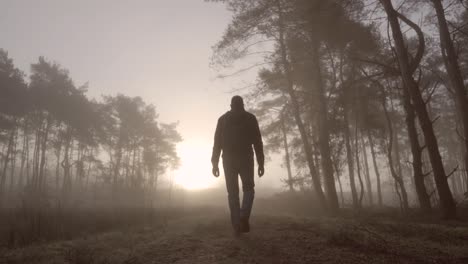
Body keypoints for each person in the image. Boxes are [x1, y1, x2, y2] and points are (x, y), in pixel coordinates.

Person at [211, 95, 265, 236]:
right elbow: (258, 142)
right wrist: (261, 163)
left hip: (228, 159)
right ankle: (243, 216)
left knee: (232, 193)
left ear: (230, 105)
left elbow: (217, 143)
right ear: (242, 104)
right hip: (246, 158)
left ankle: (236, 225)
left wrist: (214, 163)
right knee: (249, 189)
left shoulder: (222, 120)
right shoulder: (250, 118)